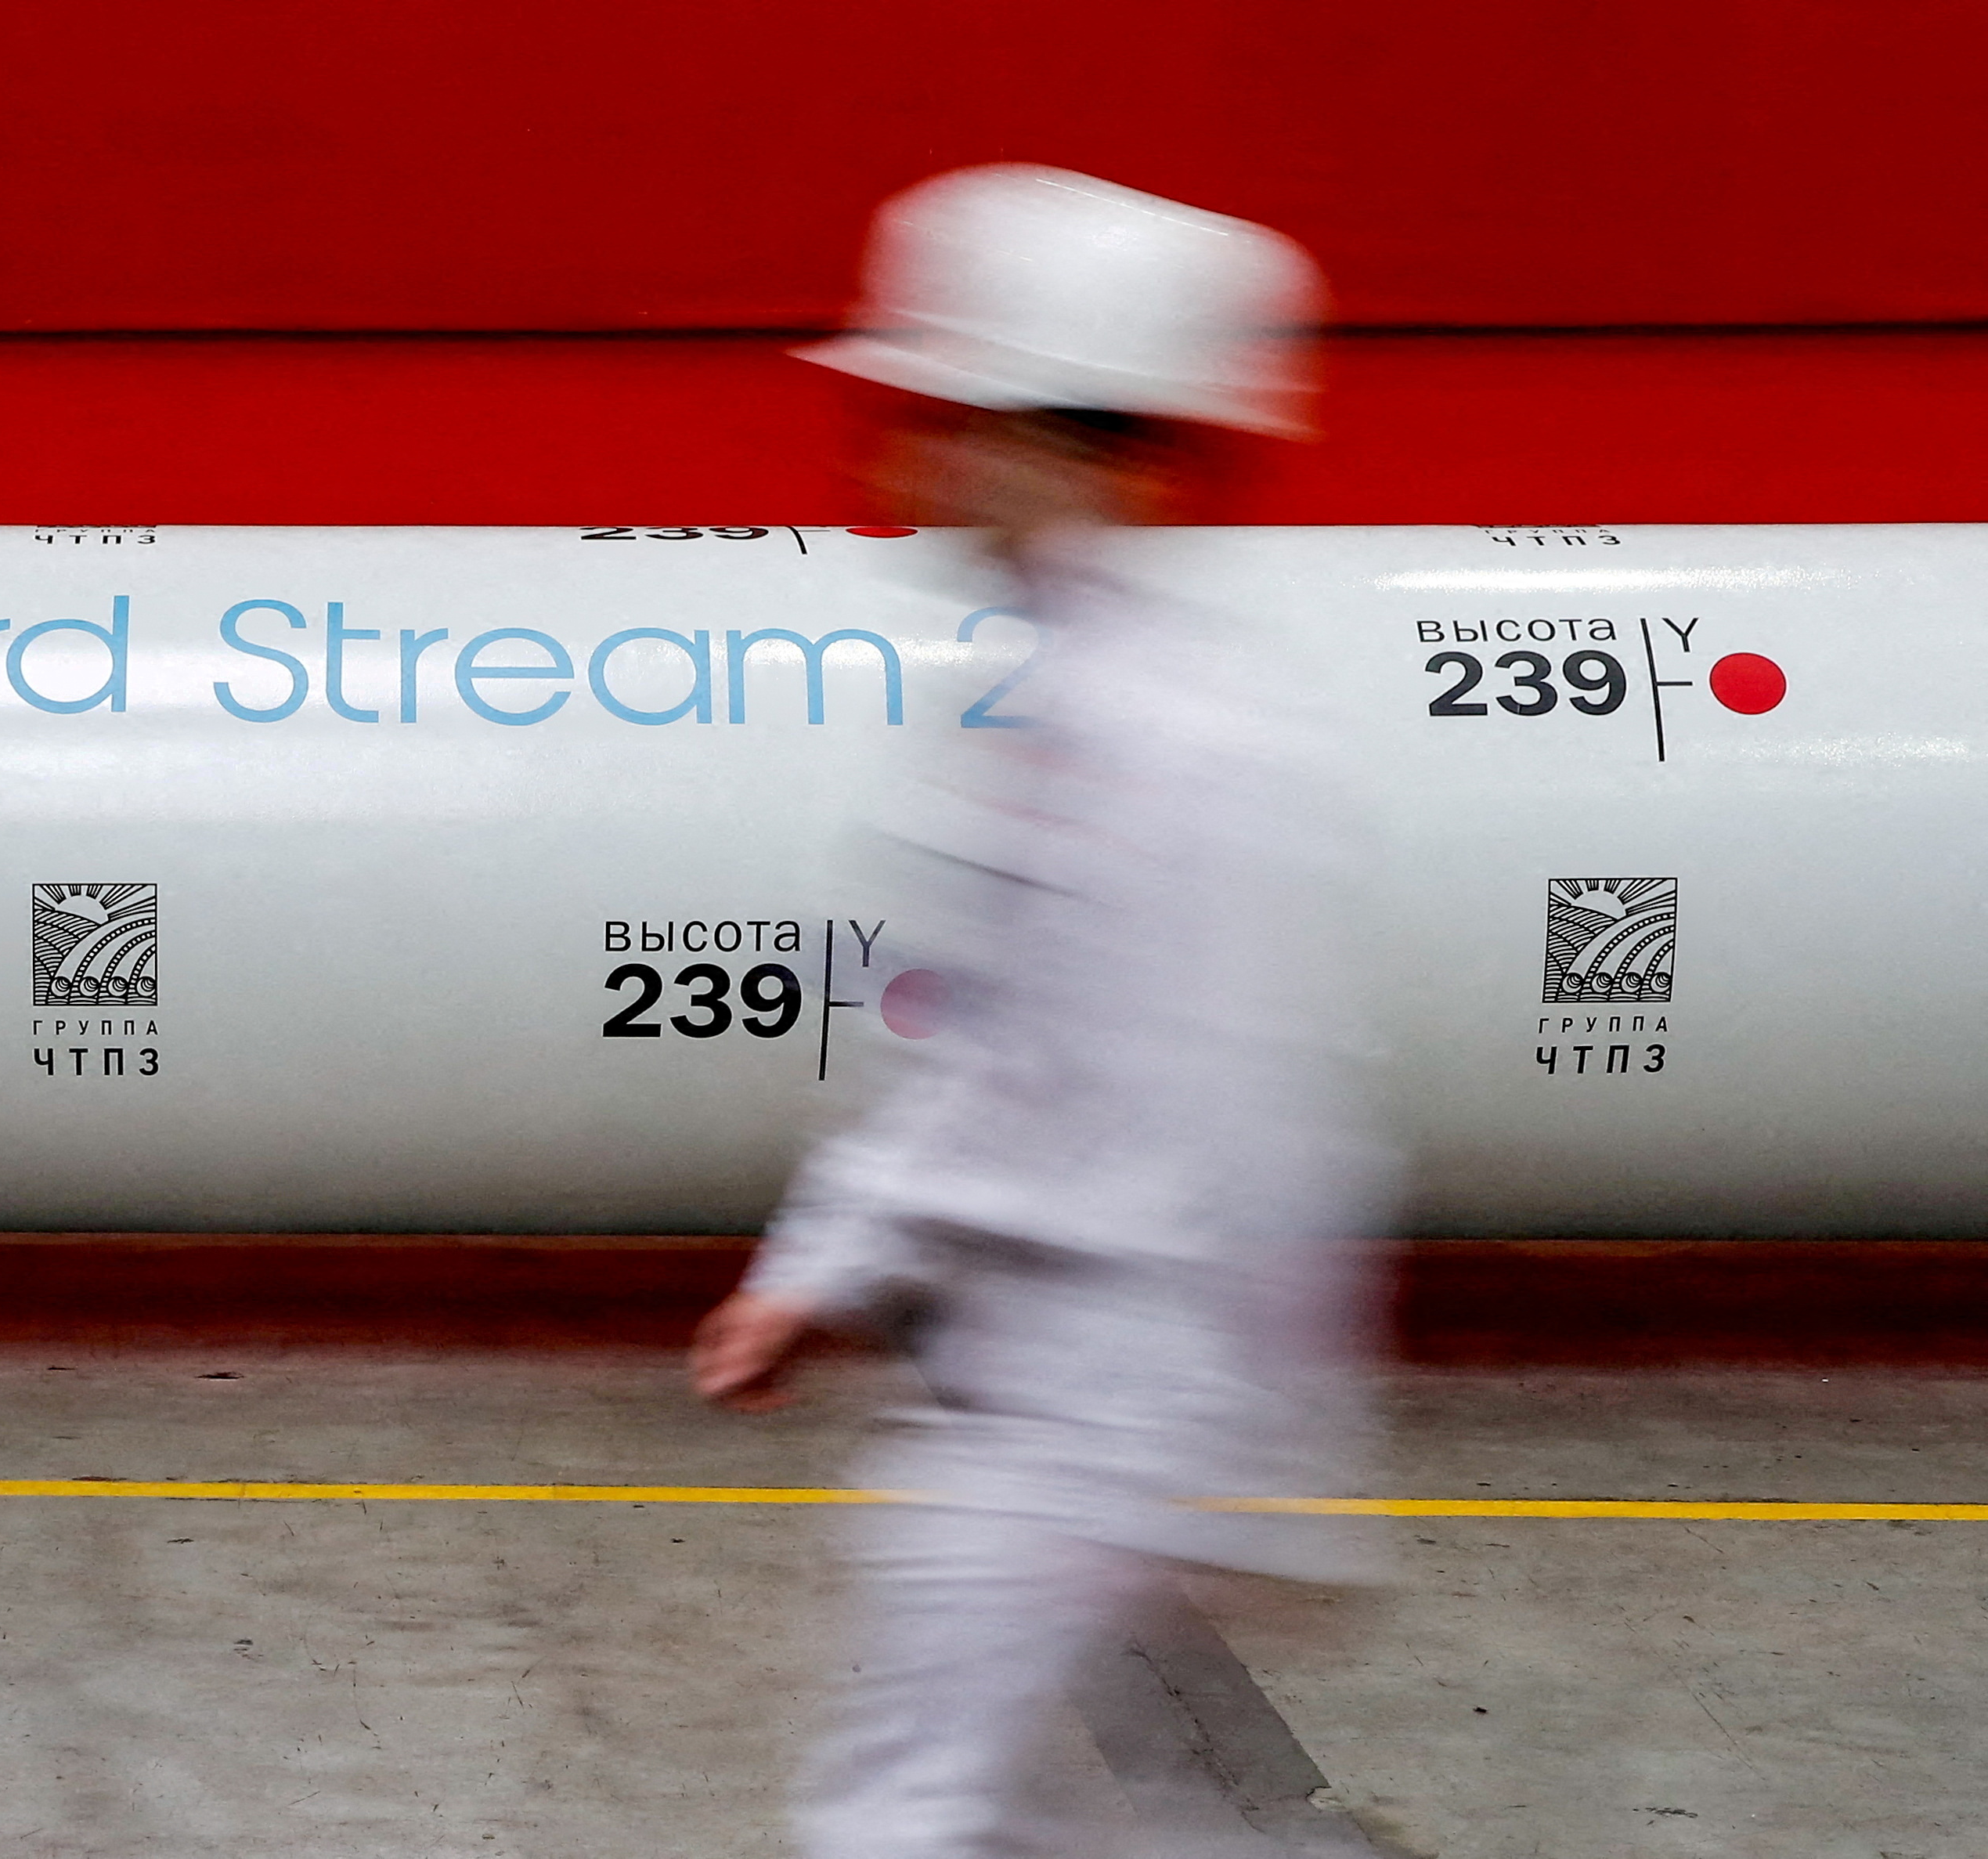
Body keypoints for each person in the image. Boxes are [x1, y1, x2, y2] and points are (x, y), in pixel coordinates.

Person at [690, 166, 1391, 1858]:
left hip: (1092, 1389)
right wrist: (819, 1266)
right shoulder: (1056, 698)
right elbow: (985, 1043)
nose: (904, 458)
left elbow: (1241, 1105)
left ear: (1060, 443)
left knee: (902, 1817)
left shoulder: (1174, 741)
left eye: (940, 417)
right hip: (1031, 1383)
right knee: (1026, 1815)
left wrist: (1264, 1449)